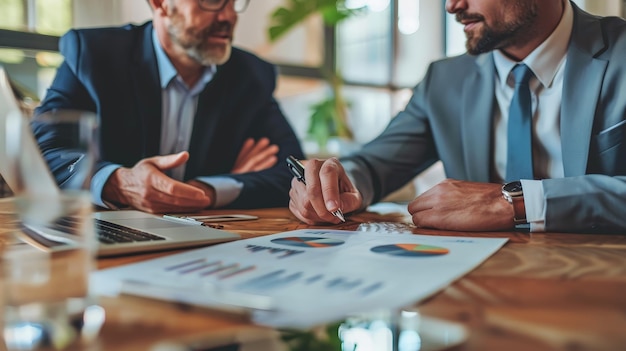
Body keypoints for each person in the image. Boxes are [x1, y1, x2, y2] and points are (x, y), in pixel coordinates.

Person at [289, 0, 626, 233]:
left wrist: (515, 202)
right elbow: (376, 165)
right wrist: (337, 184)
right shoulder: (444, 80)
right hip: (474, 294)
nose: (452, 6)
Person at [34, 0, 304, 213]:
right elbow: (42, 151)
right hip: (99, 236)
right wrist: (120, 183)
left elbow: (292, 172)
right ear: (160, 3)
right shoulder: (94, 54)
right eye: (211, 1)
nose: (229, 16)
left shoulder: (250, 75)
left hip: (206, 246)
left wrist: (207, 190)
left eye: (233, 2)